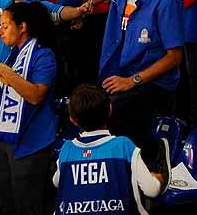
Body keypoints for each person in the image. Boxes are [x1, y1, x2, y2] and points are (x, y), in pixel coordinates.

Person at [68, 0, 184, 160]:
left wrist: (133, 80)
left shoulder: (164, 0)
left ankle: (140, 167)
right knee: (83, 104)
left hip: (153, 85)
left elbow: (174, 57)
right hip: (119, 78)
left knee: (110, 110)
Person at [0, 2, 58, 215]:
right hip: (4, 138)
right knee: (8, 201)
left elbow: (36, 95)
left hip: (30, 140)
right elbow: (4, 91)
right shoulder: (14, 53)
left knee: (27, 204)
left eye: (5, 26)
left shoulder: (43, 54)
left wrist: (6, 73)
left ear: (23, 27)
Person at [54, 84, 168, 215]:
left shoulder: (67, 150)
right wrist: (158, 178)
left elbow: (57, 182)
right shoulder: (123, 146)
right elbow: (151, 190)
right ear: (110, 109)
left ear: (72, 120)